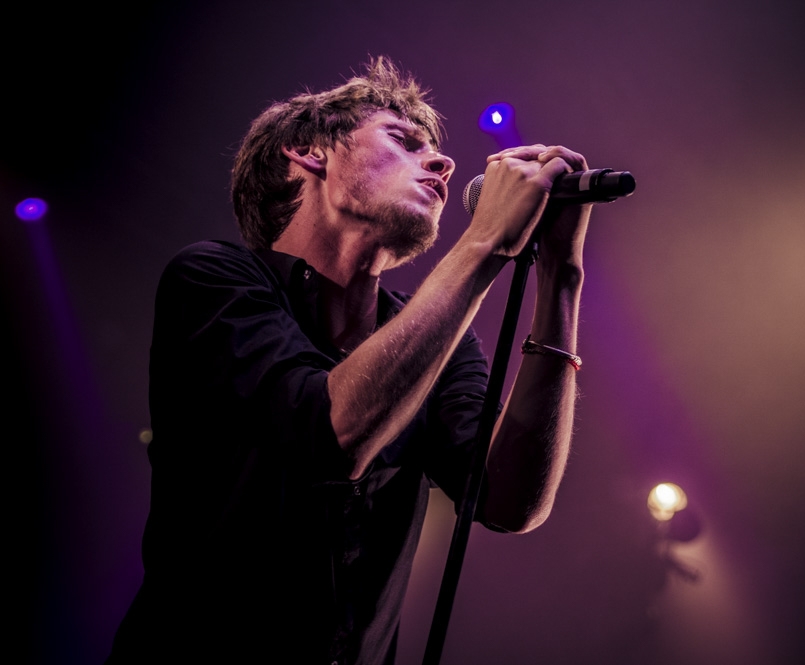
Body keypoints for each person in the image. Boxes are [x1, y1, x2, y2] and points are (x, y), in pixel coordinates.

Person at [106, 56, 591, 665]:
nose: (443, 164)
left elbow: (510, 502)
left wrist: (562, 276)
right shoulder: (212, 280)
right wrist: (485, 241)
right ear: (309, 153)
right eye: (404, 141)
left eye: (433, 149)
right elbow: (330, 439)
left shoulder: (438, 338)